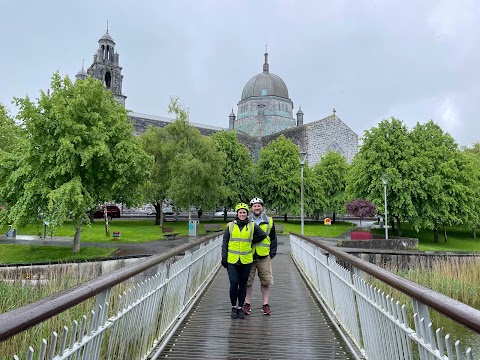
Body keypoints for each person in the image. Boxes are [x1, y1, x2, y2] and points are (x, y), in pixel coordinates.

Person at [221, 202, 267, 319]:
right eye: (240, 212)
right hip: (232, 260)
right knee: (234, 283)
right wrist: (224, 258)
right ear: (237, 214)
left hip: (246, 260)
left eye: (244, 213)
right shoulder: (230, 226)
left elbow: (263, 235)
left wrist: (252, 240)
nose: (242, 214)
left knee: (243, 284)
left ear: (247, 214)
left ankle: (240, 307)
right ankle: (233, 307)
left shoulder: (252, 225)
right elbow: (225, 242)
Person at [243, 197, 277, 316]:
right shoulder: (246, 220)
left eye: (259, 205)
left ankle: (265, 304)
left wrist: (272, 252)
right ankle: (247, 303)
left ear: (262, 207)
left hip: (264, 255)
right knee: (247, 281)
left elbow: (273, 238)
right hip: (248, 255)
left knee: (266, 281)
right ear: (251, 208)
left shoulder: (269, 220)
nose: (257, 208)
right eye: (254, 206)